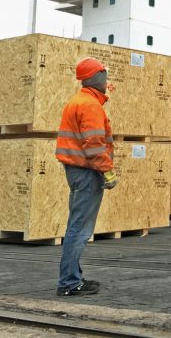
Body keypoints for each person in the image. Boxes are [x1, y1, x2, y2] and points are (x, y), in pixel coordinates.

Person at [55, 57, 119, 296]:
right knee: (79, 228)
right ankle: (69, 283)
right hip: (86, 172)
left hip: (77, 171)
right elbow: (93, 145)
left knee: (77, 226)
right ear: (96, 77)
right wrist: (108, 171)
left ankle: (73, 278)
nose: (107, 79)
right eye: (104, 74)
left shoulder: (78, 101)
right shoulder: (90, 105)